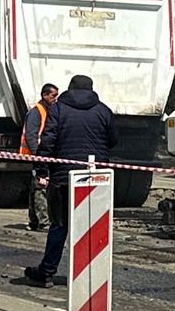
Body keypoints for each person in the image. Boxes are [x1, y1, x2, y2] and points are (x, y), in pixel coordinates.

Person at [24, 74, 118, 289]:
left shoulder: (58, 110)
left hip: (63, 179)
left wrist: (41, 169)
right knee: (92, 226)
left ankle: (46, 273)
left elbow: (48, 141)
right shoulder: (103, 110)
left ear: (69, 88)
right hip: (95, 179)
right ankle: (91, 276)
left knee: (60, 226)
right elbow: (113, 140)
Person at [19, 82, 59, 232]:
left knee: (35, 188)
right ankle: (44, 222)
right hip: (37, 156)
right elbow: (31, 136)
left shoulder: (49, 110)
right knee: (40, 187)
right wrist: (39, 157)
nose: (56, 99)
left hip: (43, 156)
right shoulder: (36, 112)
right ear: (45, 95)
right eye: (53, 96)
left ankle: (34, 221)